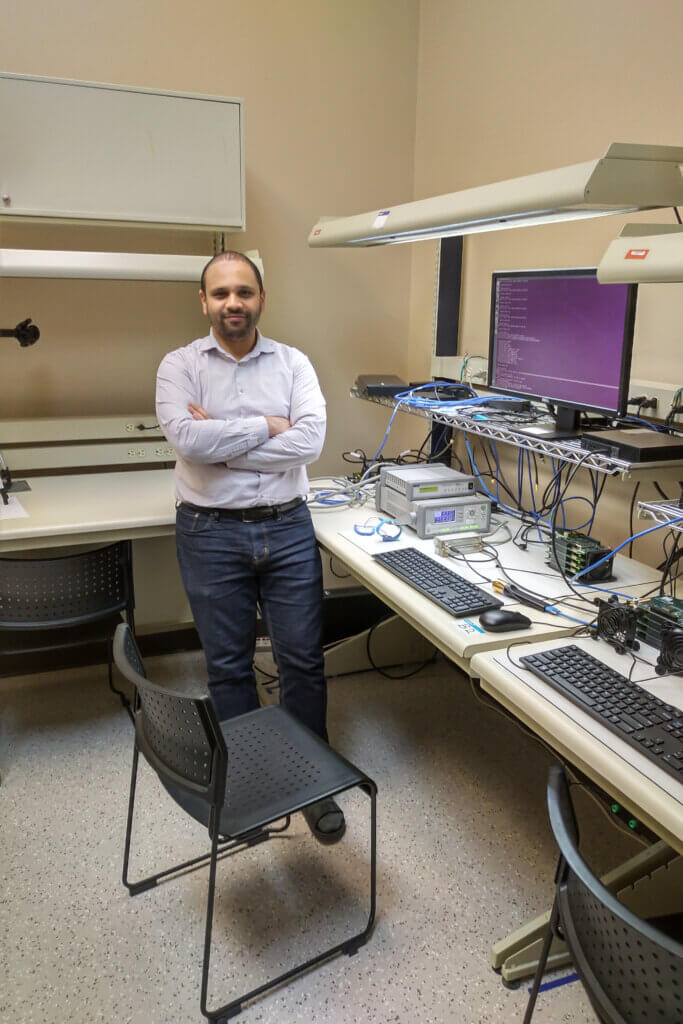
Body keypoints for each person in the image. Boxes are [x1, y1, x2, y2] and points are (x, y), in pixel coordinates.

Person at [156, 251, 344, 844]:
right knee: (230, 667)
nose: (232, 303)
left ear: (262, 298)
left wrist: (221, 443)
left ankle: (312, 779)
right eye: (220, 293)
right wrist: (268, 427)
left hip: (287, 527)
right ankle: (253, 781)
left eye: (243, 292)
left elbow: (310, 442)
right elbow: (185, 437)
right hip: (209, 532)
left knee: (303, 663)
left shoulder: (293, 363)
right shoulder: (179, 366)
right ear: (204, 302)